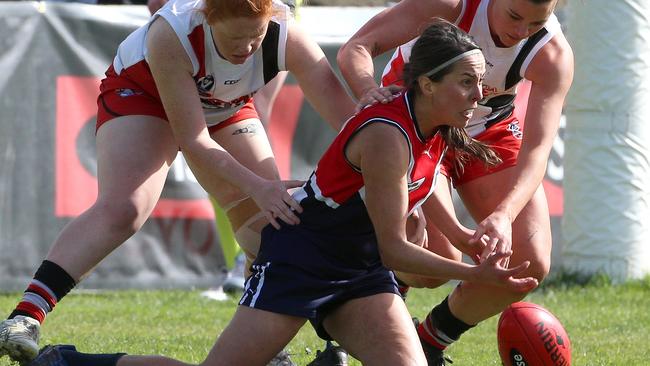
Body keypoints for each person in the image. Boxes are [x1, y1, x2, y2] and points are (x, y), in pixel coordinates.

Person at [24, 19, 539, 366]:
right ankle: (70, 360)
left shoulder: (436, 125)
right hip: (301, 260)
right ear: (426, 84)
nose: (482, 96)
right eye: (470, 82)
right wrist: (475, 272)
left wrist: (468, 239)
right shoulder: (389, 135)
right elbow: (396, 249)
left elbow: (418, 193)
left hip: (360, 274)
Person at [0, 0, 358, 364]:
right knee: (126, 209)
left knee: (271, 228)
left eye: (256, 35)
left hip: (225, 103)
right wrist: (259, 187)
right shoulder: (171, 33)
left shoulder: (286, 32)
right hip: (145, 92)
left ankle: (269, 350)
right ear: (206, 16)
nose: (246, 48)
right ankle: (24, 317)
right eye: (234, 37)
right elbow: (196, 142)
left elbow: (350, 123)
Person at [336, 0, 573, 364]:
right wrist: (369, 92)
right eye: (514, 16)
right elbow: (357, 47)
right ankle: (357, 305)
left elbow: (537, 150)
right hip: (419, 128)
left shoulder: (552, 52)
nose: (521, 31)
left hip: (488, 132)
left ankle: (429, 341)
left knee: (530, 261)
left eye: (536, 22)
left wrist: (504, 215)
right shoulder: (449, 5)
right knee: (429, 259)